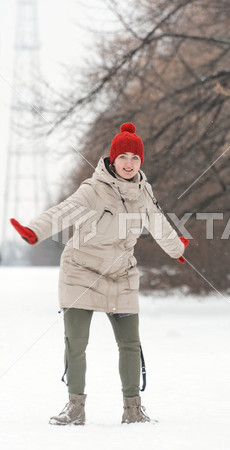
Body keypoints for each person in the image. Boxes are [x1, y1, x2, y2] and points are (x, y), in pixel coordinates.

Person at [10, 122, 189, 426]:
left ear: (140, 162)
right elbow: (64, 210)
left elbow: (157, 221)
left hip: (121, 274)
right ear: (112, 159)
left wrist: (176, 248)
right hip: (82, 272)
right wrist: (34, 231)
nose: (129, 163)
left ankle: (133, 409)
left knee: (130, 344)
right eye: (123, 157)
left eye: (135, 158)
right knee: (76, 342)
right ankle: (75, 407)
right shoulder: (94, 189)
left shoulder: (144, 190)